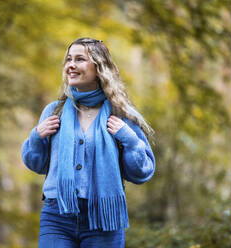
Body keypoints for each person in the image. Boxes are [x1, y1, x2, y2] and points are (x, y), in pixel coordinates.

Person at [21, 37, 155, 248]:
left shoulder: (121, 114)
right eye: (68, 59)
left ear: (99, 67)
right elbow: (36, 164)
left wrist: (129, 139)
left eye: (80, 59)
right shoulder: (53, 111)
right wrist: (37, 137)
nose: (71, 66)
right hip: (57, 215)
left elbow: (142, 172)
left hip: (104, 218)